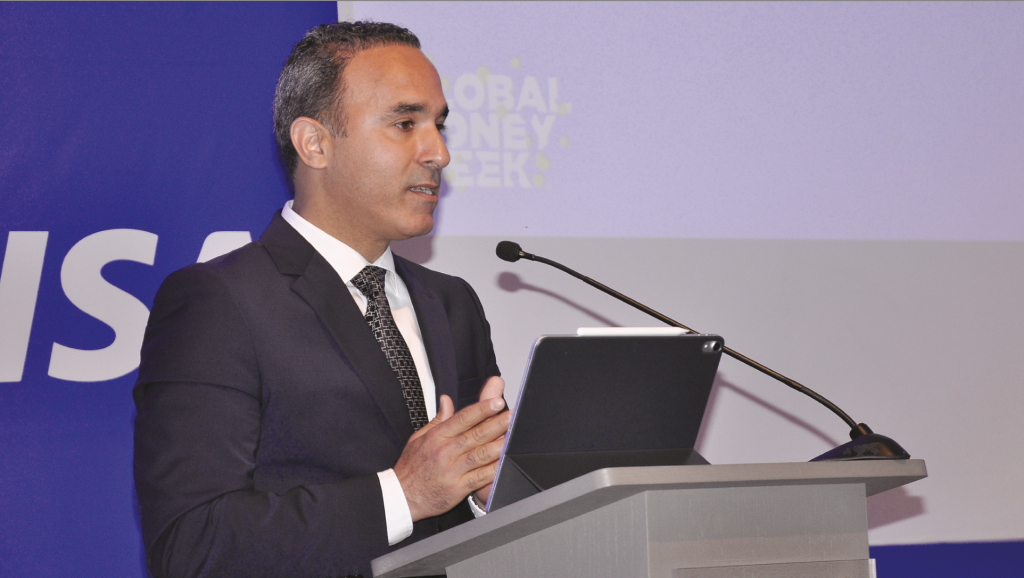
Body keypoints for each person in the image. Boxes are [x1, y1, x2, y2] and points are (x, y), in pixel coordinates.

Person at [133, 21, 508, 578]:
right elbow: (193, 544)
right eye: (405, 123)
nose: (439, 153)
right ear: (315, 143)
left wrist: (489, 492)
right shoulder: (218, 303)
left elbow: (474, 508)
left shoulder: (453, 303)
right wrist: (402, 495)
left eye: (439, 125)